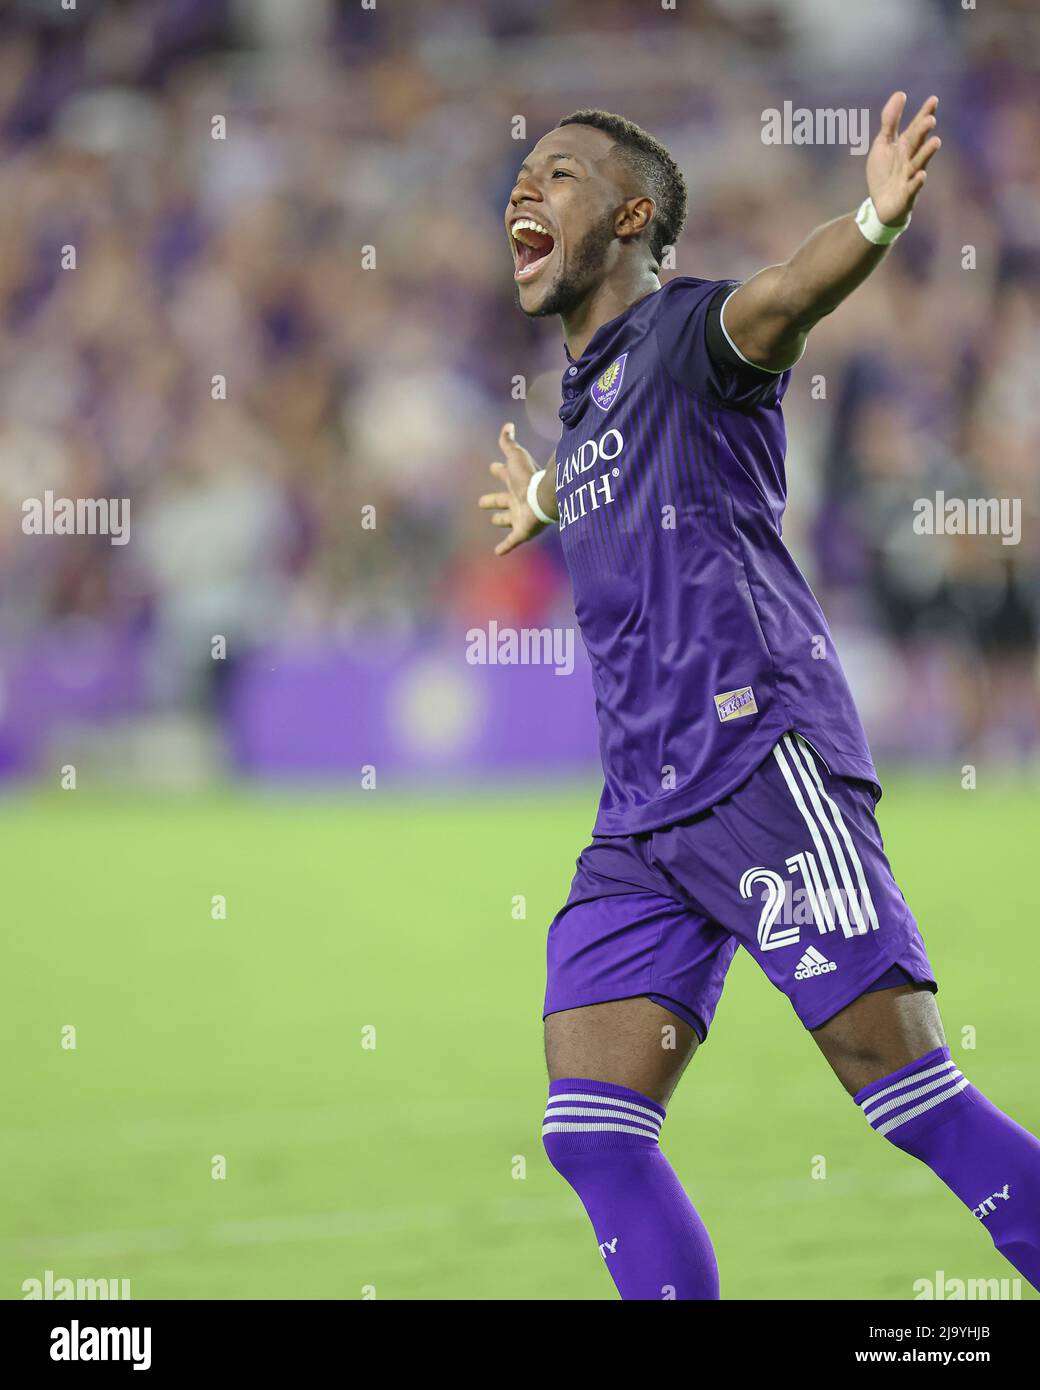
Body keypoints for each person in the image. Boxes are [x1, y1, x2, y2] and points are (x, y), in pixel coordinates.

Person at [478, 94, 1039, 1299]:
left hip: (756, 766)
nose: (523, 192)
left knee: (907, 1094)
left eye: (559, 174)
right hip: (640, 817)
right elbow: (638, 491)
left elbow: (783, 296)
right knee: (589, 1131)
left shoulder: (690, 334)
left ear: (631, 218)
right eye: (520, 175)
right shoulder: (586, 403)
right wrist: (552, 505)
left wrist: (872, 223)